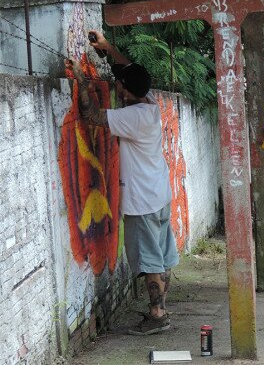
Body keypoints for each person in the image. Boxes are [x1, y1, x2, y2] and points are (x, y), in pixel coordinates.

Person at [67, 30, 179, 335]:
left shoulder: (133, 118)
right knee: (161, 256)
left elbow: (91, 116)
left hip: (142, 201)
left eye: (119, 85)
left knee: (150, 260)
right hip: (159, 194)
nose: (116, 85)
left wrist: (81, 82)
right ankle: (161, 310)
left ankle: (157, 315)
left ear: (126, 92)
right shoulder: (150, 104)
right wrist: (107, 49)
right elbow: (131, 72)